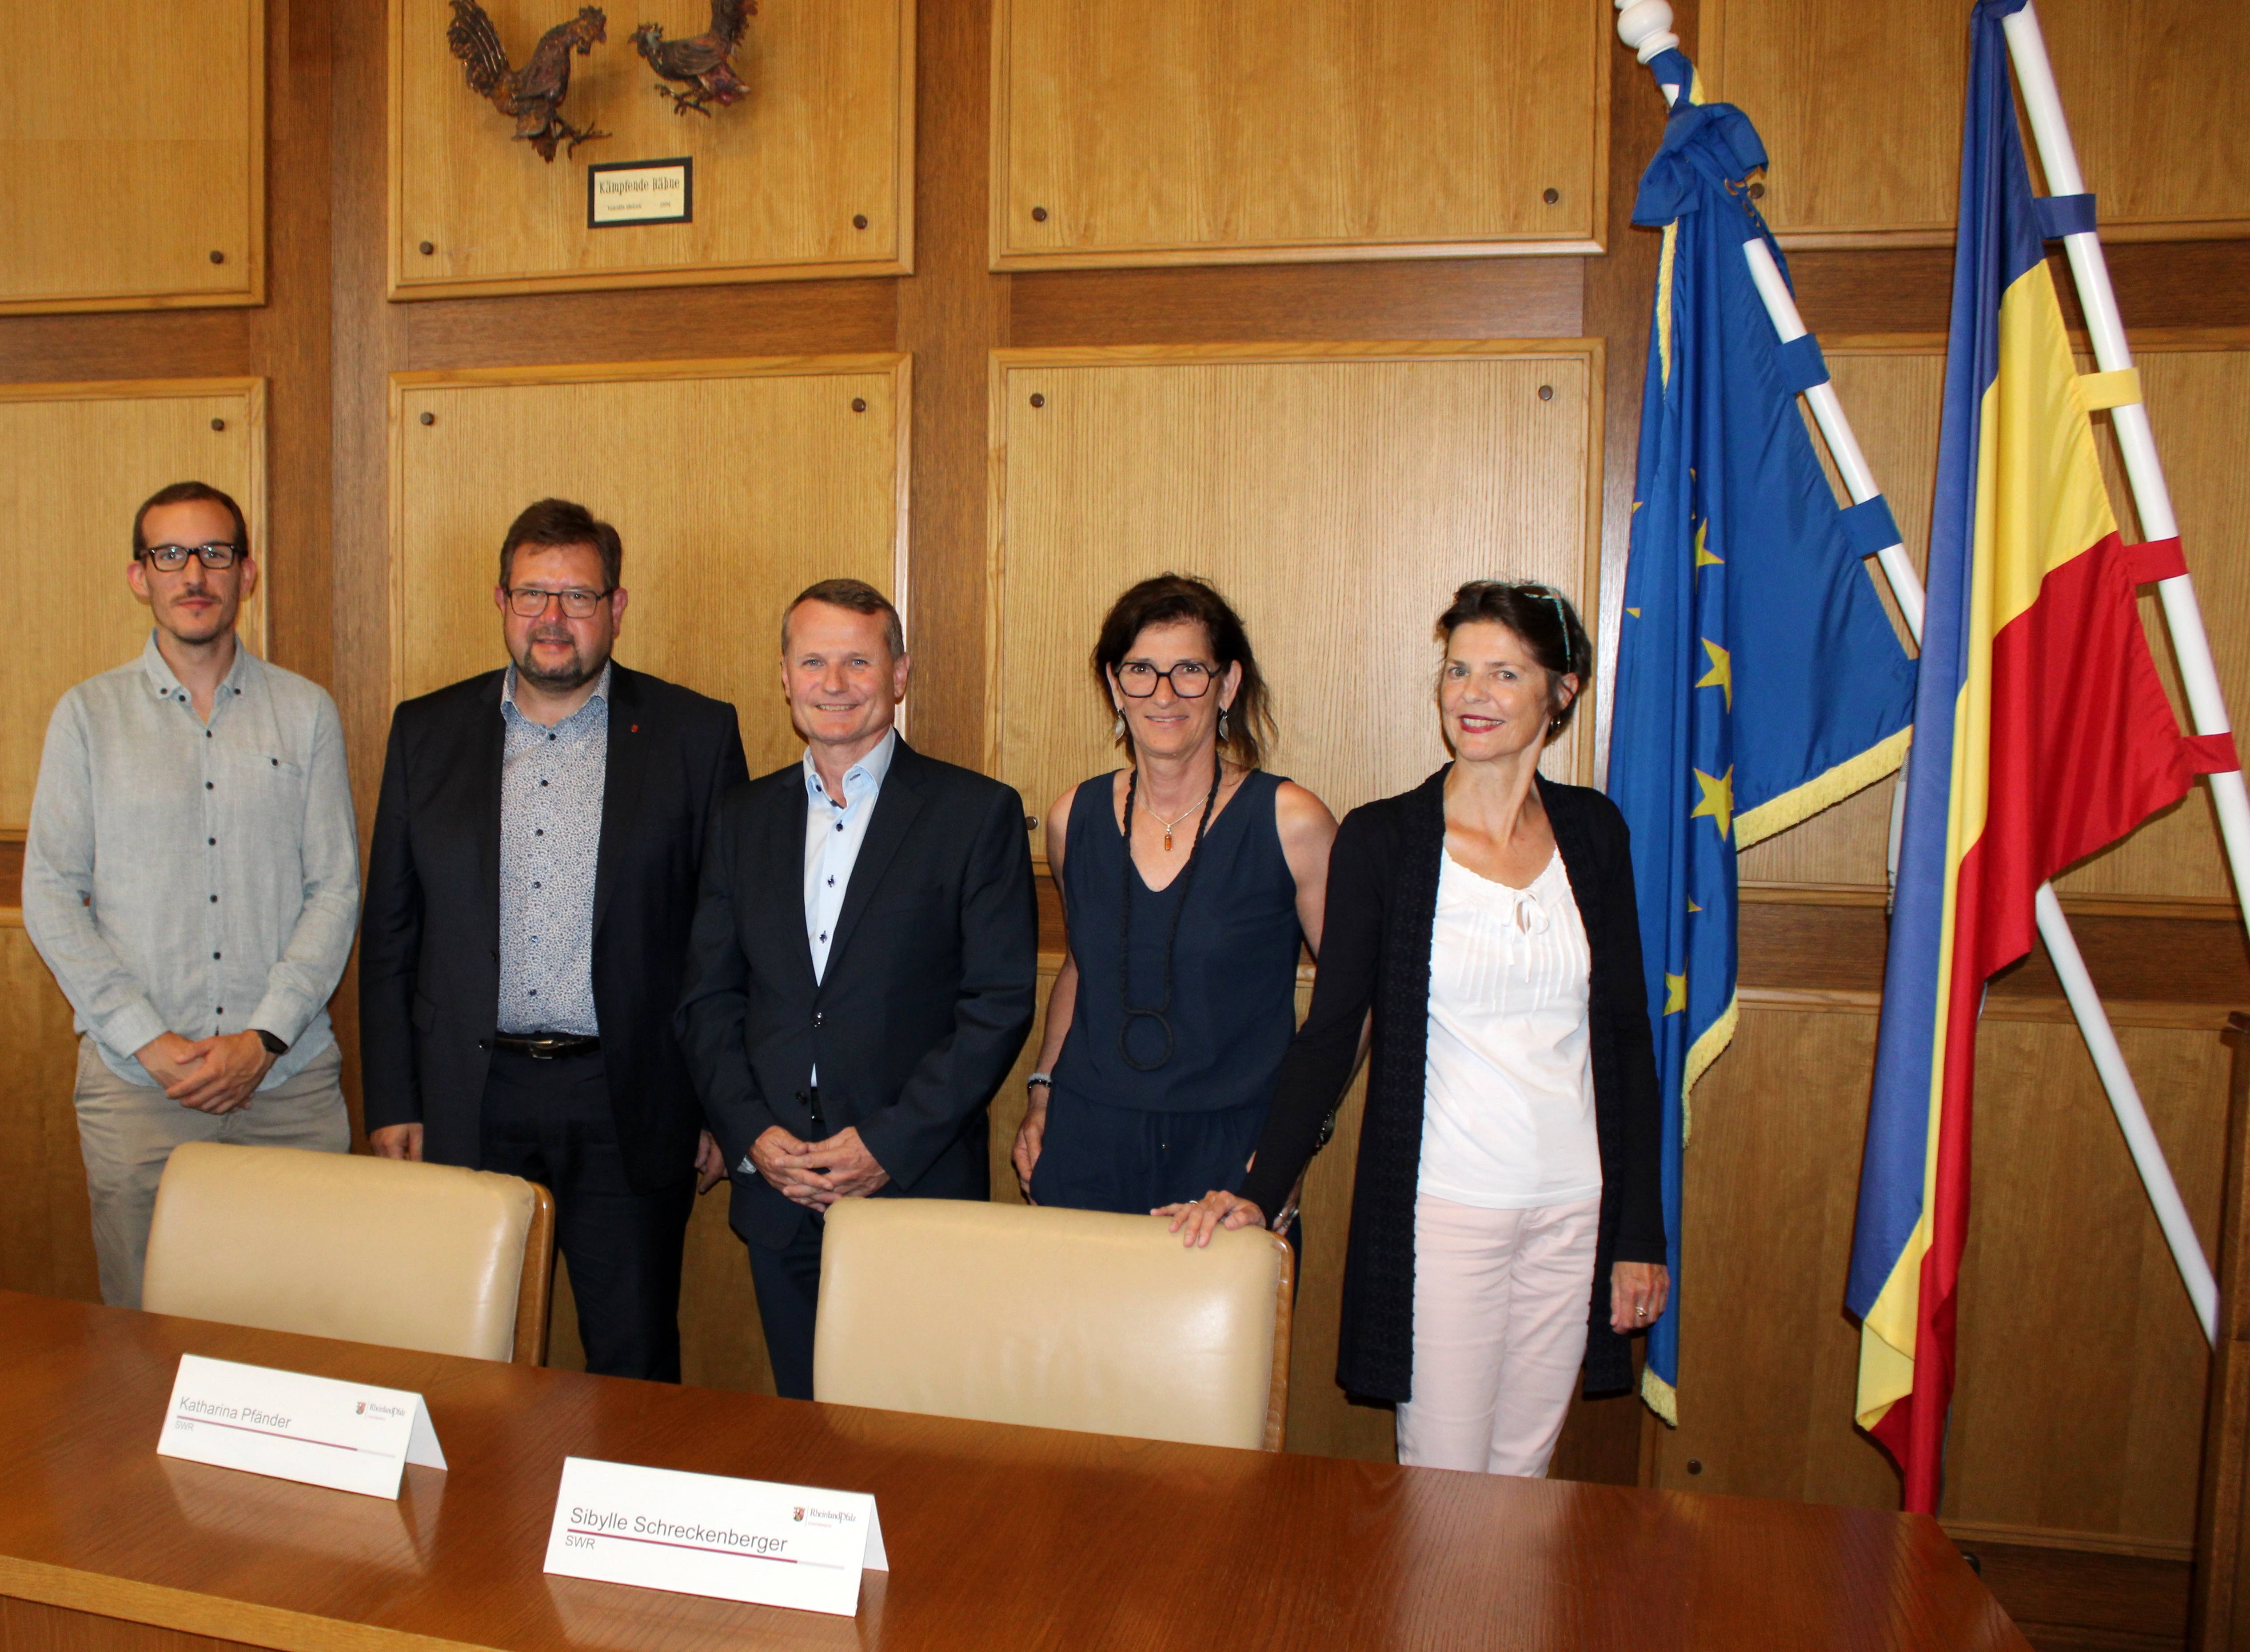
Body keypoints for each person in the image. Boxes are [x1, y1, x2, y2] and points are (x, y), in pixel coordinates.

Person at [1164, 581, 1668, 1478]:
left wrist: (1640, 1236)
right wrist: (1259, 1188)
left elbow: (1628, 1040)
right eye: (1458, 670)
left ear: (1562, 692)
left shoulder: (1595, 833)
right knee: (1442, 1479)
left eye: (1504, 673)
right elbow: (1332, 1032)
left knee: (1524, 1474)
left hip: (1574, 1208)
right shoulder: (1385, 839)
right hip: (1447, 1209)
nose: (1472, 693)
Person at [359, 498, 746, 1382]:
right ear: (502, 600)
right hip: (467, 1094)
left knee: (633, 1359)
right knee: (461, 1355)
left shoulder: (695, 734)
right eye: (533, 593)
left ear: (617, 607)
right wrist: (393, 1098)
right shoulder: (426, 731)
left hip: (628, 1098)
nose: (553, 618)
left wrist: (720, 1104)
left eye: (579, 596)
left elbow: (725, 940)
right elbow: (390, 932)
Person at [675, 579, 1038, 1401]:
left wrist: (885, 1145)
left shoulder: (975, 814)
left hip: (912, 1184)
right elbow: (708, 1001)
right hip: (779, 1187)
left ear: (899, 674)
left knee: (912, 1436)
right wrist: (752, 1134)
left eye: (857, 662)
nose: (833, 683)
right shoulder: (740, 818)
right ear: (785, 676)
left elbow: (997, 1006)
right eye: (813, 662)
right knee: (804, 1428)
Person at [23, 481, 359, 1309]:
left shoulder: (305, 712)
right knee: (146, 1339)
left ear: (248, 572)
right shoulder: (87, 716)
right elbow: (51, 894)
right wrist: (146, 1039)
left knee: (305, 1323)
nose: (194, 574)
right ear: (139, 576)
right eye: (170, 554)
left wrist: (264, 1037)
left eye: (215, 552)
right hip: (140, 1093)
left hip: (287, 1087)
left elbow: (334, 888)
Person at [1011, 574, 1336, 1217]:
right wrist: (1042, 1093)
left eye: (1189, 670)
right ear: (1115, 686)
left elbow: (1351, 1002)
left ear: (1227, 685)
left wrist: (1289, 1147)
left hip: (1232, 1155)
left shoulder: (1292, 822)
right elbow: (1081, 966)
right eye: (1141, 670)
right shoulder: (1073, 817)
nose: (1164, 694)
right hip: (1086, 1143)